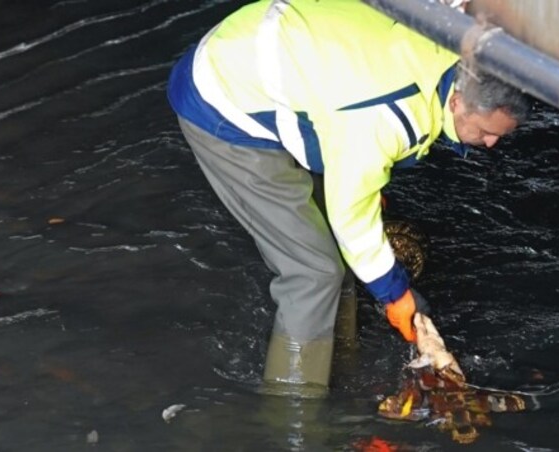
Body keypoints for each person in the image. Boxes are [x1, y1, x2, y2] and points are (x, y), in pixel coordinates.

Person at [167, 0, 531, 395]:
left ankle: (337, 356)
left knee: (335, 250)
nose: (492, 144)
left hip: (275, 54)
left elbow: (356, 153)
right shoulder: (385, 115)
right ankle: (293, 408)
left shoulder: (448, 41)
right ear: (458, 101)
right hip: (223, 99)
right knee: (313, 271)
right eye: (485, 132)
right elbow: (351, 217)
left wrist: (364, 193)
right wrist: (395, 295)